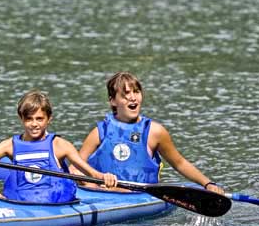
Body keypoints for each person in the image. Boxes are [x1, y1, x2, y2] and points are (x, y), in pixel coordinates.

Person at [75, 71, 225, 195]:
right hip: (102, 197)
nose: (133, 97)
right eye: (125, 94)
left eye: (136, 92)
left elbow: (179, 163)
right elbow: (75, 168)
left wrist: (207, 183)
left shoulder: (155, 132)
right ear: (113, 101)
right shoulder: (99, 132)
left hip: (141, 198)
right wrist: (90, 183)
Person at [0, 90, 117, 203]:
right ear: (21, 118)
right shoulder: (8, 145)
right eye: (29, 119)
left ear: (49, 119)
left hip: (55, 206)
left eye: (39, 119)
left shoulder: (60, 145)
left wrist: (105, 178)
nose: (34, 124)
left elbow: (90, 173)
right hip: (20, 204)